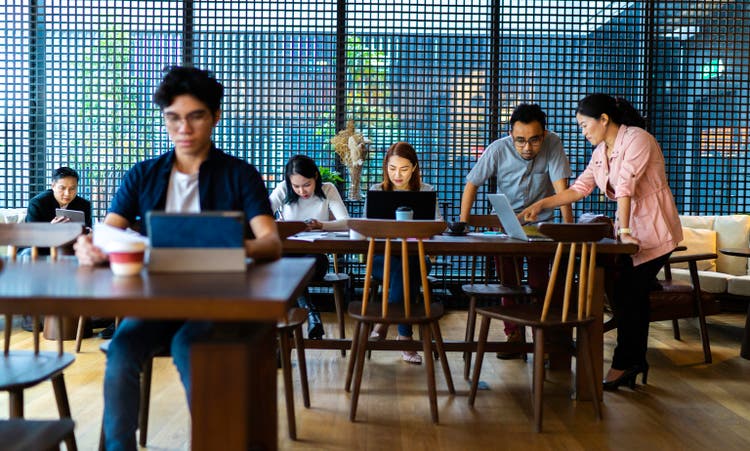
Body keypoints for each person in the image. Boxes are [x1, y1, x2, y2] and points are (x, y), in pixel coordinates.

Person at [74, 66, 282, 450]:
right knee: (121, 350)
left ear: (215, 116)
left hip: (217, 300)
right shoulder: (143, 174)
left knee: (191, 346)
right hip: (155, 300)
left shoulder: (239, 175)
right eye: (173, 118)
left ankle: (210, 442)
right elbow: (109, 232)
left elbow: (271, 242)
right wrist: (91, 246)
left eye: (195, 117)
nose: (183, 128)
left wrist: (236, 247)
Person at [520, 93, 682, 390]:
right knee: (626, 295)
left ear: (604, 120)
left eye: (584, 125)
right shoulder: (601, 152)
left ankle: (625, 363)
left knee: (629, 294)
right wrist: (542, 204)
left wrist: (622, 231)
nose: (583, 132)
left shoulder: (638, 139)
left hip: (655, 231)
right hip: (631, 234)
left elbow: (625, 187)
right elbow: (579, 188)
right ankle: (633, 361)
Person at [459, 103, 573, 358]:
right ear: (511, 134)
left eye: (534, 140)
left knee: (539, 282)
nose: (527, 147)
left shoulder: (554, 145)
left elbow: (562, 191)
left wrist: (569, 230)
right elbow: (471, 183)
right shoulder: (499, 148)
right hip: (506, 225)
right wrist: (463, 223)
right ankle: (514, 334)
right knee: (509, 283)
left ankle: (540, 337)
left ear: (544, 134)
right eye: (520, 140)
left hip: (541, 225)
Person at [368, 142, 440, 364]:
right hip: (382, 259)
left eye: (404, 169)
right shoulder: (377, 192)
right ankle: (405, 337)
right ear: (385, 167)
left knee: (407, 264)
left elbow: (436, 226)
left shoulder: (426, 192)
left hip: (417, 259)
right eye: (392, 168)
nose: (397, 175)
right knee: (403, 267)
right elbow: (367, 228)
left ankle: (385, 321)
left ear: (415, 168)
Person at [269, 154, 350, 338]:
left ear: (315, 176)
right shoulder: (284, 189)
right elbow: (263, 214)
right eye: (296, 186)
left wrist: (322, 225)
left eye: (306, 185)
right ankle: (311, 313)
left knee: (287, 273)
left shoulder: (327, 189)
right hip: (288, 257)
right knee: (286, 268)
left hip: (315, 259)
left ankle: (285, 342)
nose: (301, 191)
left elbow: (347, 222)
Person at [26, 166, 93, 228]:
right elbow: (31, 234)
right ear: (53, 186)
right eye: (62, 188)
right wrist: (50, 228)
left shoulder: (84, 205)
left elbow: (88, 231)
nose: (67, 193)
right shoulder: (37, 204)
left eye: (72, 188)